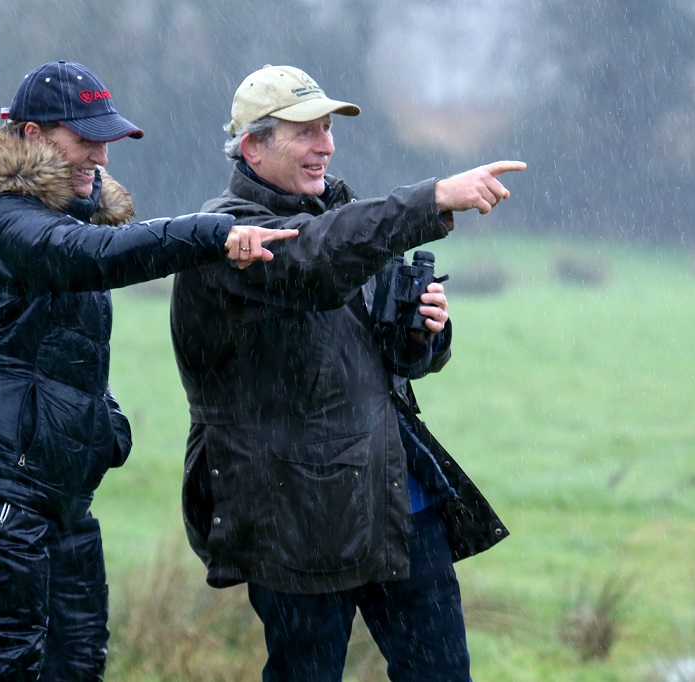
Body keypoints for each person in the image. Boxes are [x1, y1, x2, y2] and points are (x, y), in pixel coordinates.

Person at [0, 60, 295, 682]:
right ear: (34, 137)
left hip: (60, 496)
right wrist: (211, 234)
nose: (102, 156)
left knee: (77, 670)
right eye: (87, 140)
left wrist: (102, 418)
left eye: (107, 141)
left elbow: (59, 341)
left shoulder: (61, 220)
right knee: (1, 671)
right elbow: (88, 258)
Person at [170, 64, 525, 681]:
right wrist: (432, 197)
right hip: (292, 514)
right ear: (253, 145)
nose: (326, 147)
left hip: (395, 502)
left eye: (328, 130)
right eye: (306, 132)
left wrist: (424, 331)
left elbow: (395, 359)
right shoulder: (226, 236)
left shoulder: (346, 214)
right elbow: (311, 262)